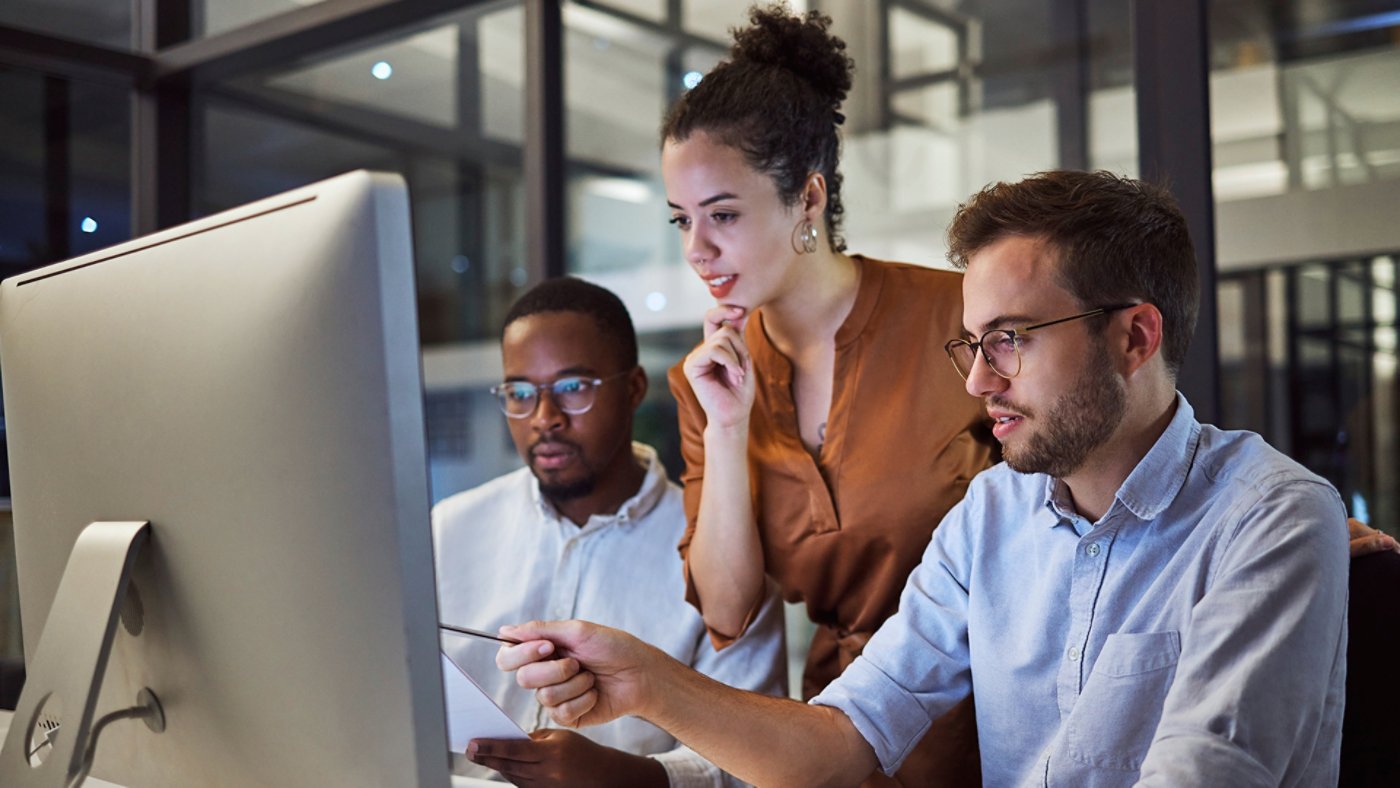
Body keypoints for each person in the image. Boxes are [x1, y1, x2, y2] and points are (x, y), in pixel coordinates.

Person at [489, 171, 1350, 787]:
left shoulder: (1271, 523)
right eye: (972, 344)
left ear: (1135, 337)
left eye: (1011, 338)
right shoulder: (993, 515)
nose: (978, 382)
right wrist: (648, 684)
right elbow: (843, 737)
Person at [663, 6, 995, 782]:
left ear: (808, 200)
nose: (695, 250)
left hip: (998, 722)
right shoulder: (707, 380)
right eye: (681, 220)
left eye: (723, 215)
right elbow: (727, 610)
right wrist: (726, 428)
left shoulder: (961, 318)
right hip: (835, 736)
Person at [436, 277, 786, 787]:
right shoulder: (449, 529)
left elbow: (760, 765)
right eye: (520, 393)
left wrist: (628, 777)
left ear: (635, 389)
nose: (544, 418)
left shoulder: (720, 554)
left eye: (573, 388)